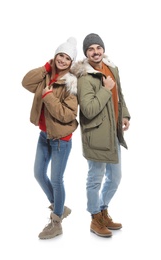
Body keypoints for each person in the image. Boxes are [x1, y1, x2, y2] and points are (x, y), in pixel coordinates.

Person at [72, 33, 130, 237]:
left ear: (102, 49)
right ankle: (95, 218)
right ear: (86, 53)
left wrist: (125, 115)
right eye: (91, 49)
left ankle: (103, 210)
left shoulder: (112, 69)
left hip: (113, 131)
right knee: (95, 179)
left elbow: (119, 94)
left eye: (98, 48)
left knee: (115, 177)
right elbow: (88, 109)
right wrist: (105, 89)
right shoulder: (84, 77)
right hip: (95, 135)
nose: (96, 52)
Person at [21, 37, 78, 239]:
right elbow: (26, 82)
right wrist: (46, 67)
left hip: (61, 139)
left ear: (72, 63)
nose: (62, 60)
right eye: (60, 56)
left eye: (67, 58)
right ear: (54, 57)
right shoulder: (46, 75)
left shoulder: (72, 83)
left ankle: (56, 223)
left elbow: (68, 114)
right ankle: (60, 207)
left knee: (56, 180)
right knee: (38, 173)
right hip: (44, 135)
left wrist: (49, 97)